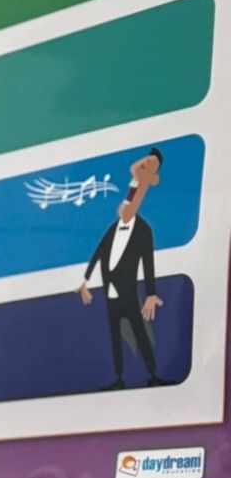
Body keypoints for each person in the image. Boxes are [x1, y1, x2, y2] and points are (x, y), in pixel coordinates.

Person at [78, 147, 165, 388]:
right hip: (110, 294)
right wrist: (85, 281)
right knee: (115, 337)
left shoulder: (143, 230)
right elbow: (97, 253)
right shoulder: (112, 228)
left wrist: (150, 293)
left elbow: (148, 262)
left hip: (128, 294)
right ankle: (118, 377)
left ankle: (153, 373)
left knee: (139, 332)